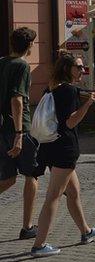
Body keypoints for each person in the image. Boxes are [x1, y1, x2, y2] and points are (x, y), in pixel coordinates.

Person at [29, 53, 95, 257]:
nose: (83, 70)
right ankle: (39, 244)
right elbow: (70, 122)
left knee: (73, 192)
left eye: (83, 67)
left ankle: (86, 232)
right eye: (79, 67)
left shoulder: (52, 87)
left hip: (50, 146)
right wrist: (88, 104)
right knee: (54, 196)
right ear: (67, 69)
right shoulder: (69, 91)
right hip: (64, 149)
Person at [0, 26, 41, 241]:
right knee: (31, 174)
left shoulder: (2, 62)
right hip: (19, 128)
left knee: (7, 179)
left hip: (2, 128)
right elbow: (17, 99)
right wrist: (19, 133)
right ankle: (27, 226)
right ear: (29, 45)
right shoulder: (22, 66)